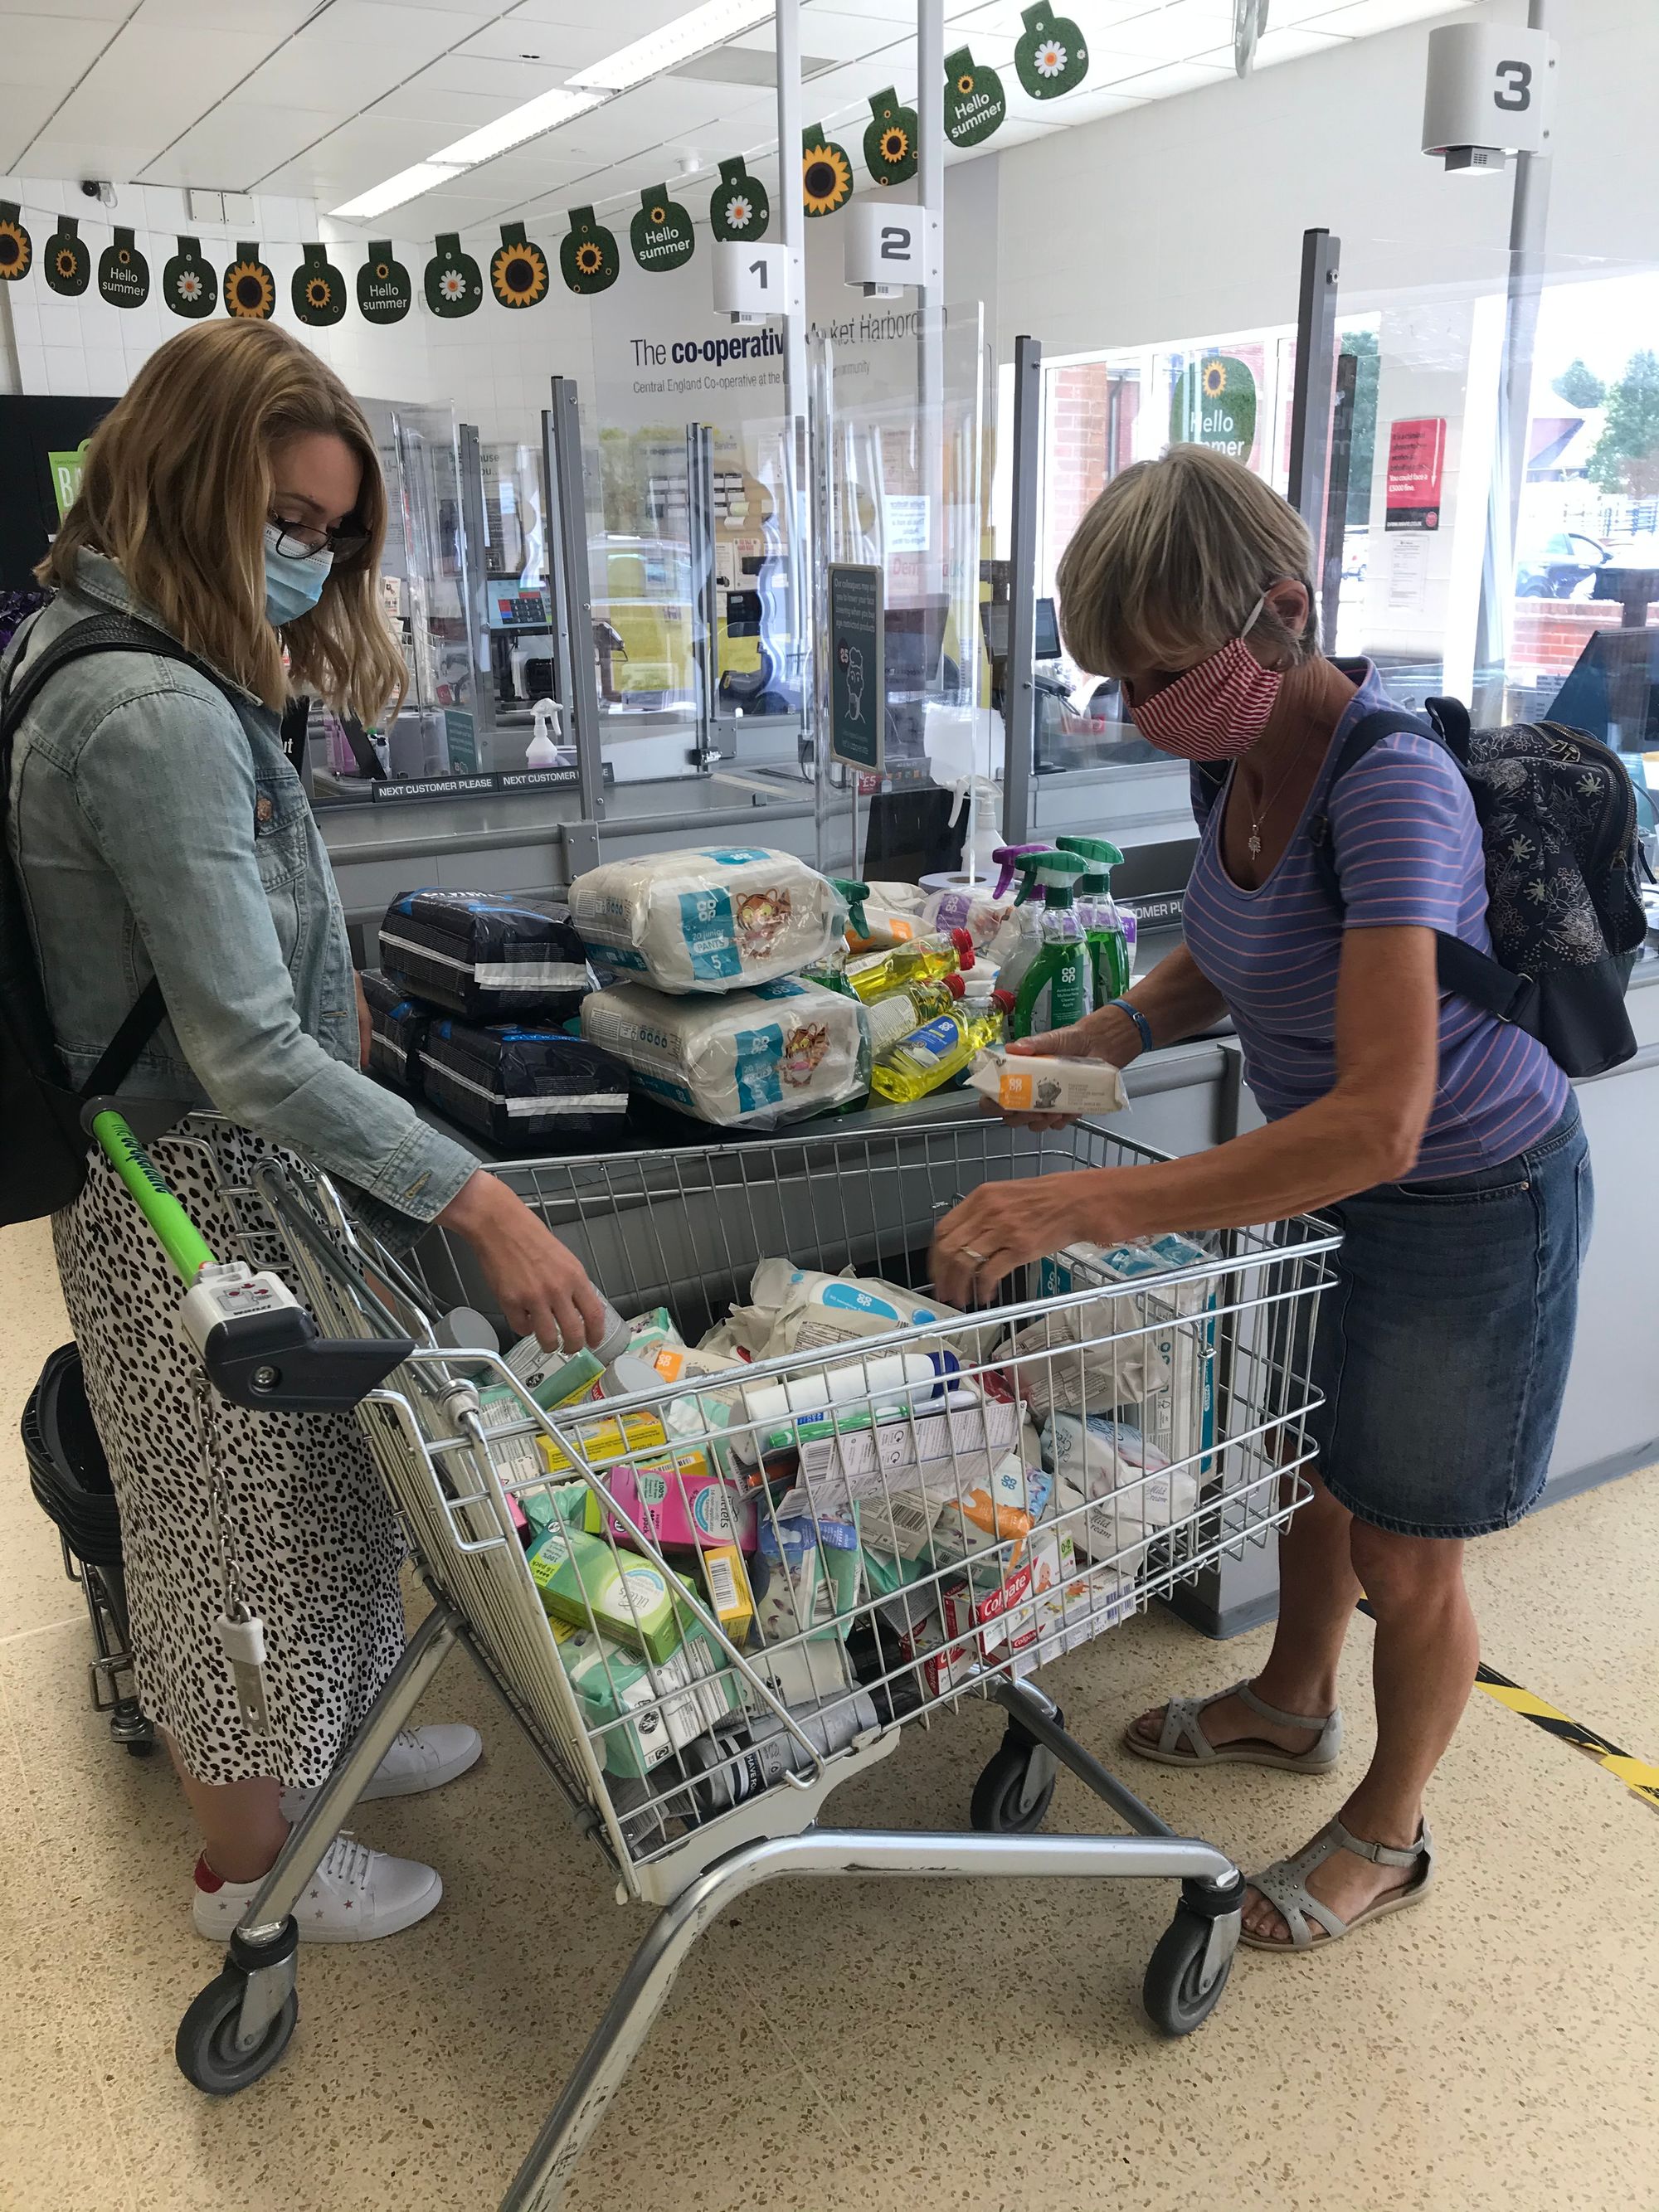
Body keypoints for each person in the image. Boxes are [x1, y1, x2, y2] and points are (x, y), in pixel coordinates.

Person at [932, 445, 1591, 1953]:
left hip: (1467, 1198)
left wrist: (1085, 1213)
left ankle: (1391, 1829)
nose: (1141, 708)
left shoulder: (1396, 790)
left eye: (1162, 671)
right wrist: (1121, 1028)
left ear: (1283, 615)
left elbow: (1382, 1117)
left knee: (1407, 1549)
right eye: (1121, 681)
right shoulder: (1231, 753)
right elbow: (1240, 938)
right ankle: (1293, 1704)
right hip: (1342, 1191)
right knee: (1314, 1469)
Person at [6, 320, 608, 1942]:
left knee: (325, 1474)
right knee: (230, 1523)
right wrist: (477, 1196)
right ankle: (251, 1867)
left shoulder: (124, 644)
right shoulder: (150, 711)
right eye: (286, 522)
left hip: (223, 1158)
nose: (309, 561)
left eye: (332, 535)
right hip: (182, 1186)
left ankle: (329, 1741)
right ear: (188, 481)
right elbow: (244, 1052)